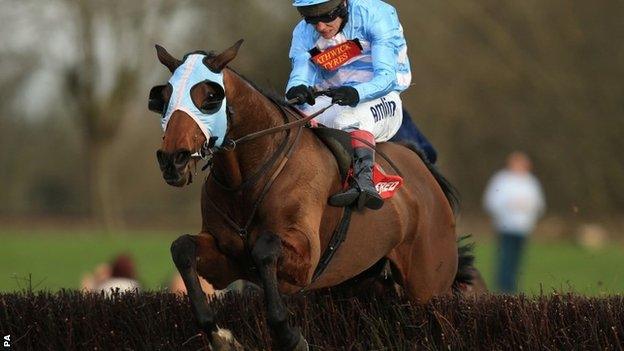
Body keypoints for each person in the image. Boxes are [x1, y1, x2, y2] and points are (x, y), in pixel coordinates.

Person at [286, 0, 412, 210]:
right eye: (311, 18)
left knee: (349, 117)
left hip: (383, 97)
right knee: (293, 117)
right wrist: (297, 87)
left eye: (326, 17)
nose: (320, 28)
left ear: (342, 6)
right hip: (334, 98)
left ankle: (366, 180)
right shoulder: (302, 32)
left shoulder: (376, 14)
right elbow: (301, 71)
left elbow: (386, 77)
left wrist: (357, 92)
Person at [483, 151, 546, 293]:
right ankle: (502, 289)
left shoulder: (531, 182)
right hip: (505, 227)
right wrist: (509, 205)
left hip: (523, 228)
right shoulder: (501, 180)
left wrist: (527, 207)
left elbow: (539, 204)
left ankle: (512, 288)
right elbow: (491, 201)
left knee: (517, 261)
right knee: (504, 259)